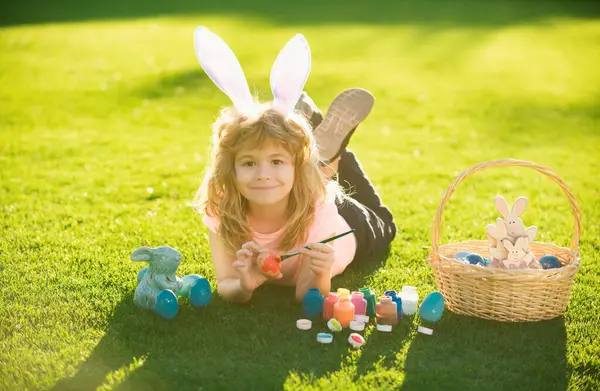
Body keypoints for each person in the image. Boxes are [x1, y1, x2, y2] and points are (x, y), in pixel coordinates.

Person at [192, 27, 396, 303]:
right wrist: (244, 285)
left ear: (296, 168)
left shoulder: (319, 209)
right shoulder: (221, 208)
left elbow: (306, 296)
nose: (263, 175)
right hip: (307, 190)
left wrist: (321, 273)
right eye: (249, 163)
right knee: (318, 180)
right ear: (231, 169)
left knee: (385, 222)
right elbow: (226, 284)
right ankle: (317, 143)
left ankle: (332, 156)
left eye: (276, 161)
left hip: (350, 223)